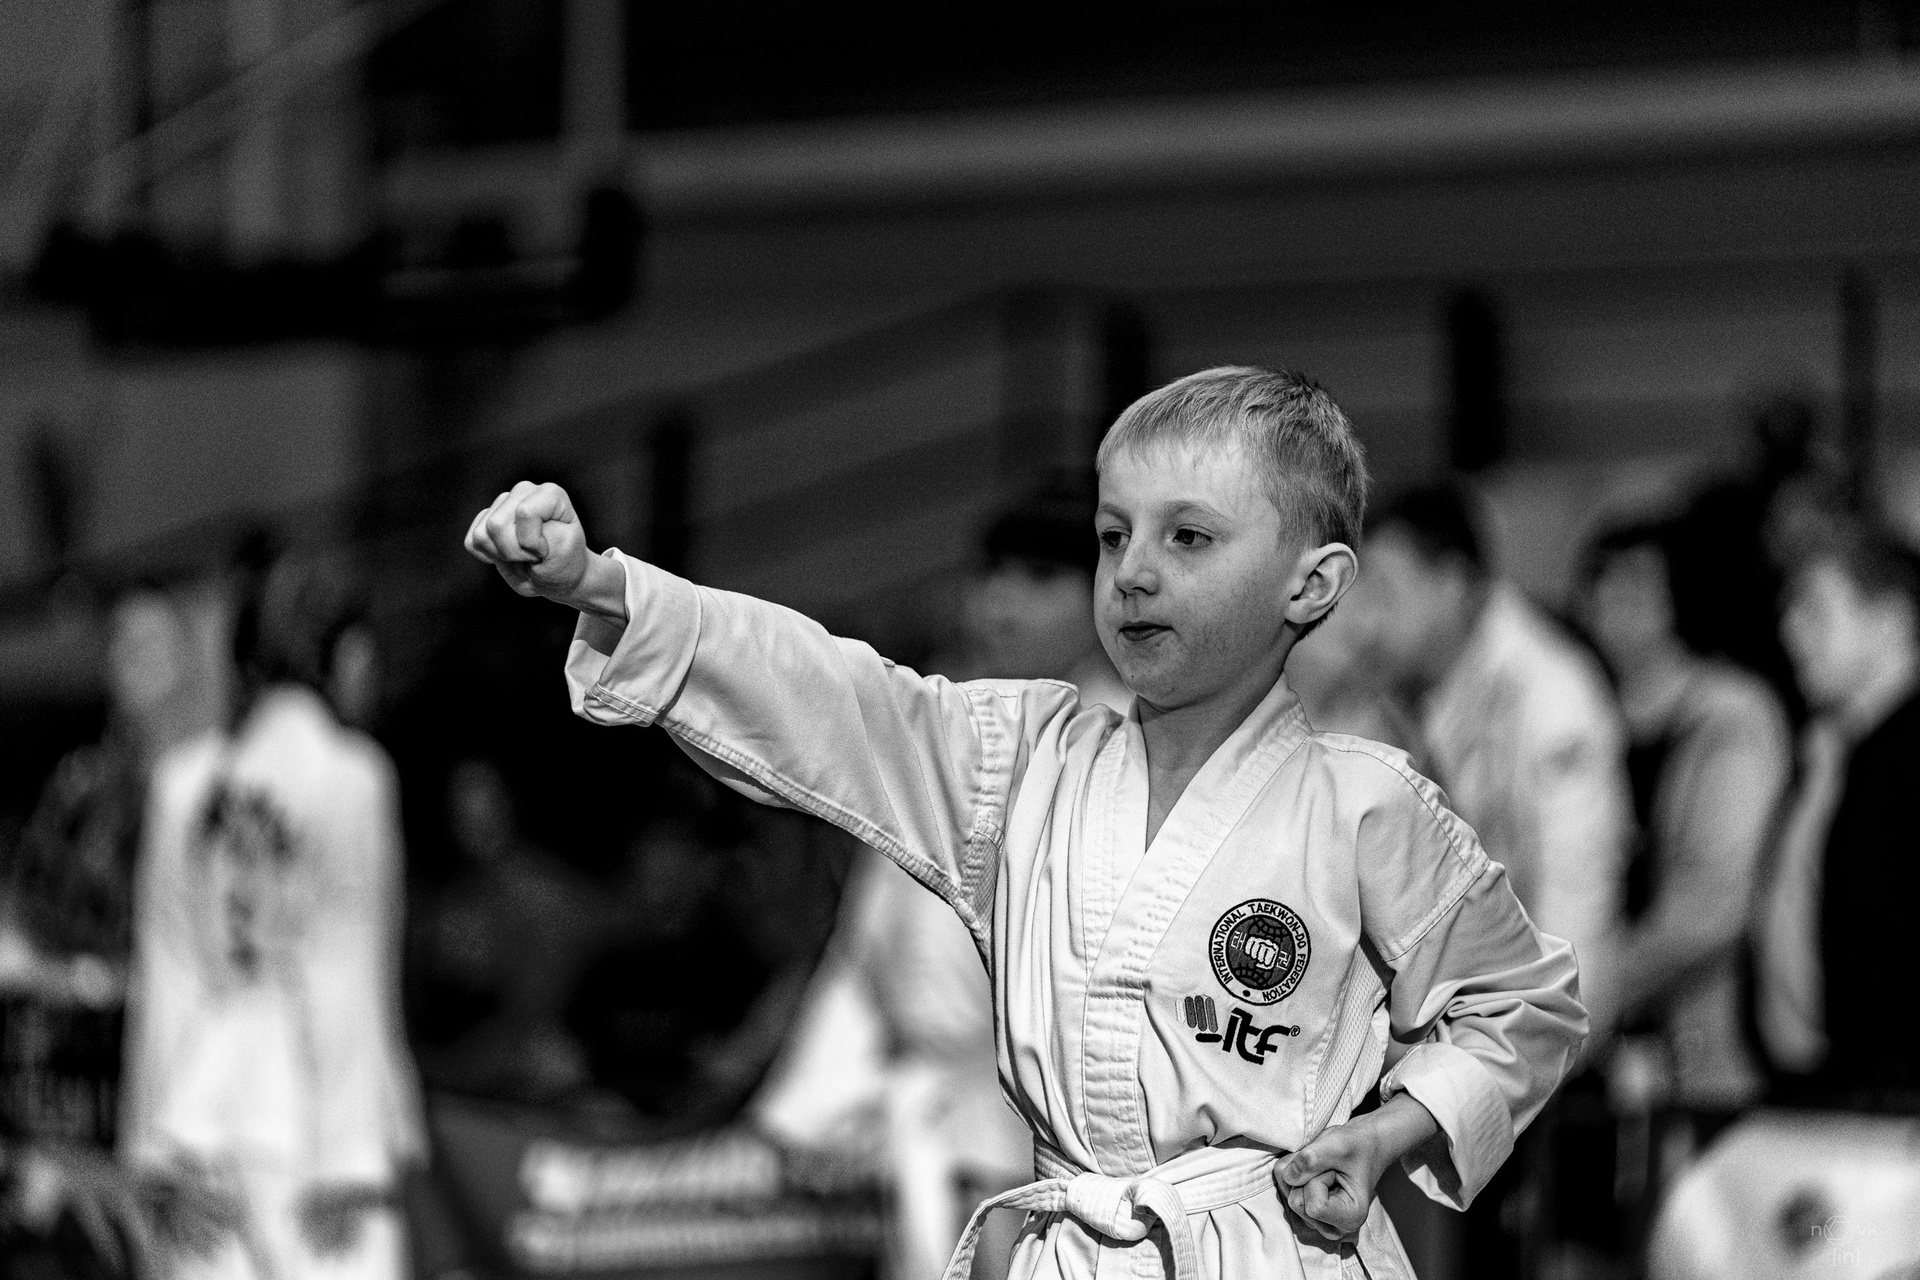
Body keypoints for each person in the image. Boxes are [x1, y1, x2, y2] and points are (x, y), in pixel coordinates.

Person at [465, 366, 1588, 1280]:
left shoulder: (1365, 803)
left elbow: (1525, 1001)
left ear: (1313, 584)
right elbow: (832, 693)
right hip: (1067, 1245)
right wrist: (608, 586)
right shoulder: (1021, 761)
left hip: (1275, 1251)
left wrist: (1388, 1130)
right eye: (1114, 535)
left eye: (1190, 538)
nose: (1134, 573)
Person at [760, 486, 1125, 1280]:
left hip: (1074, 1142)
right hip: (933, 1123)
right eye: (992, 575)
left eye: (1039, 579)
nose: (1002, 604)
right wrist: (813, 1105)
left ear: (1104, 596)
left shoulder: (1136, 748)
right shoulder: (937, 724)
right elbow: (865, 952)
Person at [120, 552, 425, 1280]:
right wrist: (352, 1160)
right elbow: (347, 967)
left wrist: (154, 1154)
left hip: (199, 1119)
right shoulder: (351, 776)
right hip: (315, 1124)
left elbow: (164, 971)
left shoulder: (181, 782)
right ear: (344, 651)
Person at [1575, 521, 1790, 1117]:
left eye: (1638, 582)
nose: (1615, 600)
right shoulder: (1579, 713)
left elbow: (1715, 905)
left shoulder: (1732, 715)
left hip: (1707, 1055)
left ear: (1679, 593)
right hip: (1597, 1053)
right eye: (1601, 581)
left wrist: (1581, 989)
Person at [1756, 523, 1920, 1109]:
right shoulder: (1830, 750)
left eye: (1815, 610)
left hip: (1892, 1103)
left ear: (1892, 620)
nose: (1790, 631)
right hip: (1828, 1090)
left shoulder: (1905, 755)